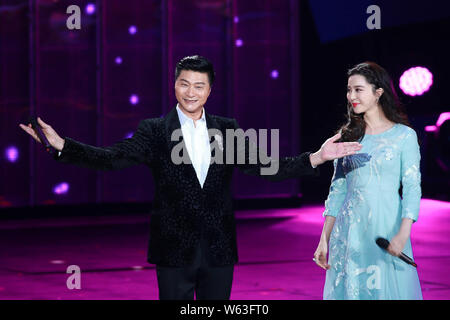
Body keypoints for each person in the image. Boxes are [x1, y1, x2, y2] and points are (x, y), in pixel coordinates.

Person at [20, 55, 362, 300]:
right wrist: (63, 145)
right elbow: (112, 159)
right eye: (184, 83)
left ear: (210, 90)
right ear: (174, 86)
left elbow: (267, 166)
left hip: (218, 248)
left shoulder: (227, 129)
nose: (190, 91)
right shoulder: (154, 130)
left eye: (199, 85)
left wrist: (317, 157)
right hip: (173, 249)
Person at [313, 62, 423, 300]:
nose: (351, 96)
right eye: (349, 90)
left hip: (386, 227)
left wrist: (403, 235)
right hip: (349, 230)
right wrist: (324, 239)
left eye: (358, 89)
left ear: (378, 92)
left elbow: (413, 188)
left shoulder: (404, 136)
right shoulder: (347, 137)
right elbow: (337, 191)